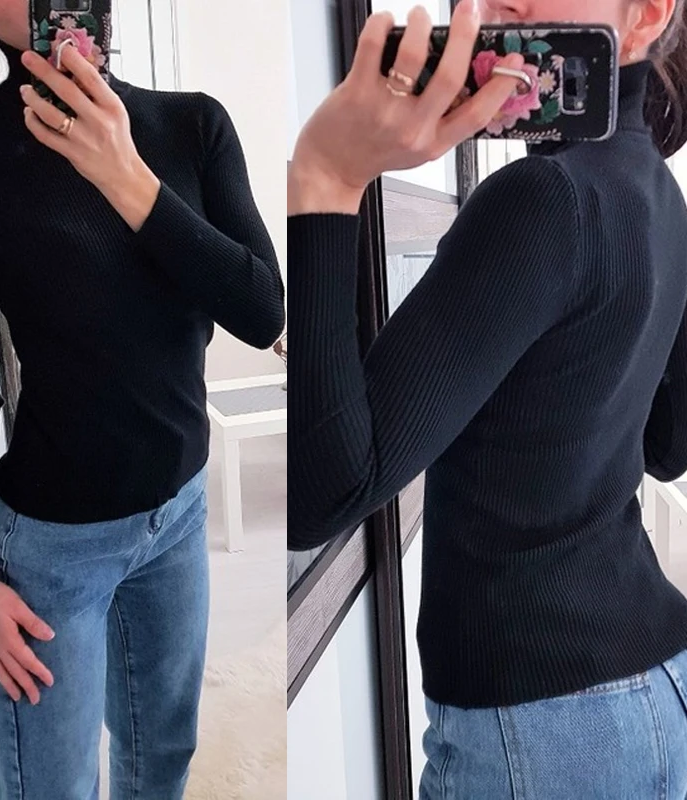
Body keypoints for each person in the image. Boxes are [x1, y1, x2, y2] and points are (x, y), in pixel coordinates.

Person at [287, 0, 687, 795]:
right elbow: (669, 447)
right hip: (654, 686)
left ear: (646, 14)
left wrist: (327, 176)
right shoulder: (655, 189)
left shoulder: (543, 197)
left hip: (545, 732)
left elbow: (323, 490)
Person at [0, 0, 284, 797]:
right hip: (51, 553)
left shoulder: (192, 124)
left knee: (162, 757)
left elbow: (262, 310)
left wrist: (124, 176)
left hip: (178, 517)